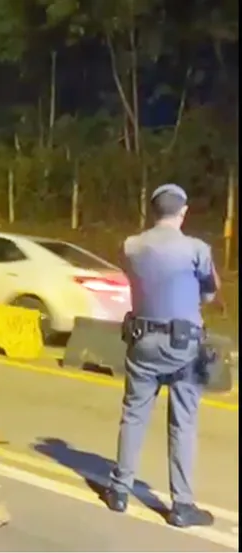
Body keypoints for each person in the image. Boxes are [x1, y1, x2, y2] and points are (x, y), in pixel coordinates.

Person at [103, 183, 219, 528]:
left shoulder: (131, 246)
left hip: (142, 343)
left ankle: (120, 490)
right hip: (183, 348)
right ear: (182, 212)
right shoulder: (196, 249)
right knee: (183, 423)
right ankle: (182, 505)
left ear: (153, 212)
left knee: (134, 417)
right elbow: (210, 294)